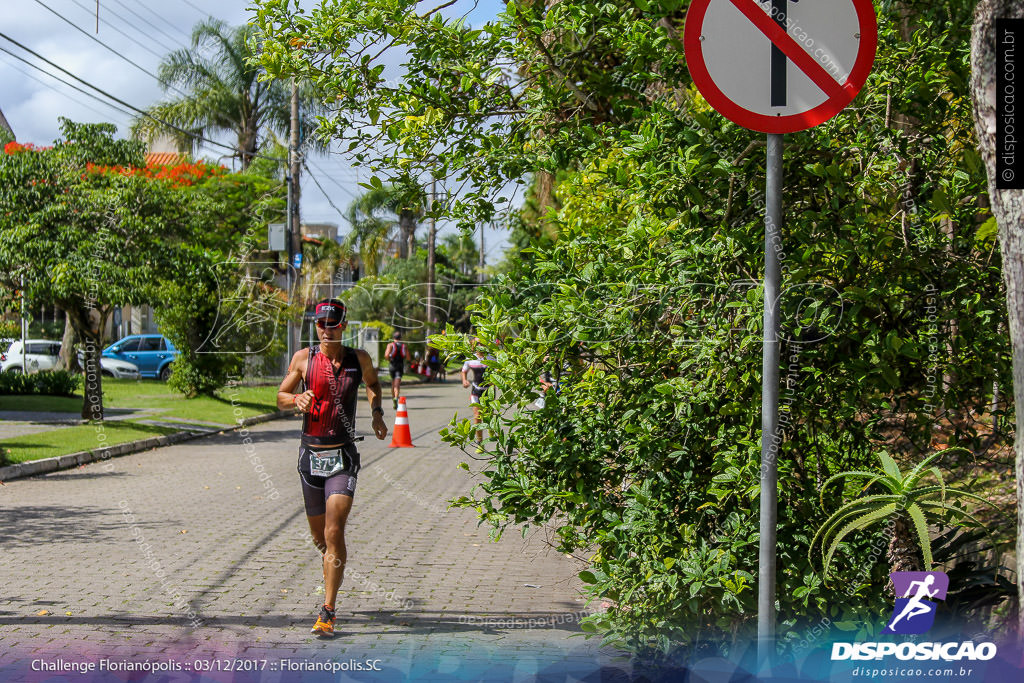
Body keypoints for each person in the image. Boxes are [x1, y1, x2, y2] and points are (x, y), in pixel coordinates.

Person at [277, 298, 388, 637]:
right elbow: (280, 396)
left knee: (333, 531)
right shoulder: (304, 359)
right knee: (319, 538)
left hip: (343, 457)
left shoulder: (359, 360)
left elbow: (372, 384)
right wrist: (296, 400)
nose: (326, 329)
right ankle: (332, 566)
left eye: (332, 323)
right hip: (310, 456)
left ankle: (327, 610)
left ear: (343, 325)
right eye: (321, 323)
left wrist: (377, 413)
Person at [460, 345, 488, 442]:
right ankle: (480, 442)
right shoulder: (470, 358)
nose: (480, 346)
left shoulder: (491, 357)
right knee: (477, 416)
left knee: (489, 416)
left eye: (482, 343)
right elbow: (464, 371)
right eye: (477, 344)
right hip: (476, 390)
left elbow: (499, 371)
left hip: (488, 391)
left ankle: (493, 436)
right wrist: (464, 380)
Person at [383, 331, 408, 409]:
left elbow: (386, 355)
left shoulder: (390, 345)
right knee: (397, 384)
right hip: (400, 366)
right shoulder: (404, 346)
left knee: (393, 383)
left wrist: (390, 359)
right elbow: (408, 357)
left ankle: (394, 398)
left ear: (393, 338)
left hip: (392, 366)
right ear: (400, 338)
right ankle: (396, 397)